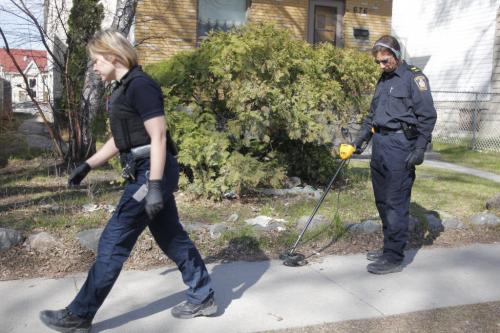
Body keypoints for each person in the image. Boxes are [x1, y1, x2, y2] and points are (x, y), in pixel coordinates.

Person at [40, 29, 216, 333]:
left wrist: (156, 186)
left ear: (113, 56)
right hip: (146, 170)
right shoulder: (121, 89)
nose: (94, 67)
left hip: (151, 173)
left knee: (113, 241)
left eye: (96, 61)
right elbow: (121, 140)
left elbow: (158, 136)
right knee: (171, 236)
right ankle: (203, 295)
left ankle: (79, 315)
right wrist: (88, 165)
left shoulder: (140, 86)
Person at [341, 35, 437, 274]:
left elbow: (427, 116)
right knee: (382, 200)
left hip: (401, 145)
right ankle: (388, 248)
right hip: (381, 145)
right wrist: (358, 143)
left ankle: (394, 257)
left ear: (396, 55)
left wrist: (419, 148)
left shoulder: (414, 78)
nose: (382, 66)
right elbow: (372, 117)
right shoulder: (383, 80)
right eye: (378, 63)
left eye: (385, 61)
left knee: (396, 203)